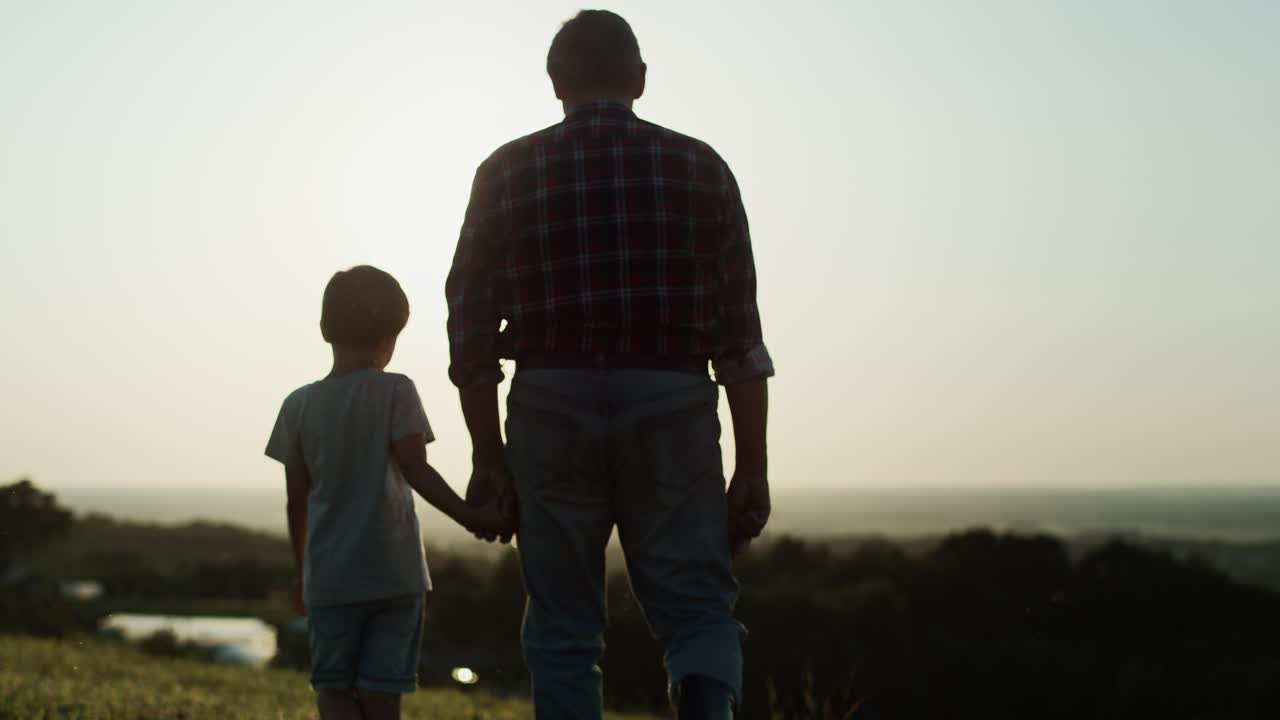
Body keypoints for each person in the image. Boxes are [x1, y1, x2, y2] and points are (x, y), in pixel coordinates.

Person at [445, 10, 774, 718]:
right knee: (696, 608)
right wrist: (752, 466)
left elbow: (469, 330)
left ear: (555, 82)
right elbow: (741, 341)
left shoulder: (504, 171)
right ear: (641, 81)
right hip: (674, 398)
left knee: (563, 619)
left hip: (549, 397)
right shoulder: (703, 167)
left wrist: (487, 456)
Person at [266, 265, 509, 720]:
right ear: (391, 337)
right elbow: (418, 470)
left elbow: (296, 500)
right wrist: (472, 516)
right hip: (395, 577)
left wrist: (303, 573)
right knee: (382, 697)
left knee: (334, 691)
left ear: (323, 330)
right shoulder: (397, 390)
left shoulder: (296, 406)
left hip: (330, 582)